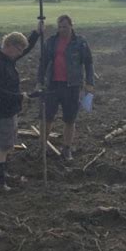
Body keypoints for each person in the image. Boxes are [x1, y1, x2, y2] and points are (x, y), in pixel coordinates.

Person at [0, 24, 41, 190]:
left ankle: (2, 172)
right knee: (3, 147)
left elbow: (26, 48)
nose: (19, 54)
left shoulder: (7, 59)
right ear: (9, 46)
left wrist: (36, 33)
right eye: (18, 50)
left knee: (8, 144)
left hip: (11, 109)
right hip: (2, 110)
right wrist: (21, 96)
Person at [38, 14, 94, 161]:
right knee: (47, 117)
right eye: (60, 27)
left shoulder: (80, 43)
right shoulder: (51, 42)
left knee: (69, 119)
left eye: (65, 27)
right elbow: (43, 63)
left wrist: (90, 83)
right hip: (53, 85)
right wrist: (39, 81)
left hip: (72, 86)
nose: (62, 30)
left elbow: (88, 63)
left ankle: (67, 148)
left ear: (71, 26)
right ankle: (42, 147)